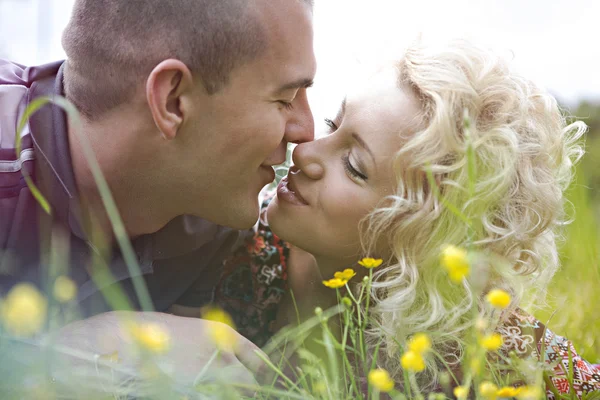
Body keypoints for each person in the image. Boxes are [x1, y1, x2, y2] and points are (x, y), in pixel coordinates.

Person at [204, 40, 600, 396]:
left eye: (354, 166)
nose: (305, 154)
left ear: (424, 235)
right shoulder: (229, 244)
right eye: (332, 125)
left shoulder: (486, 346)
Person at [0, 0, 315, 384]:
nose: (307, 131)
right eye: (284, 99)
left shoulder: (207, 215)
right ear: (173, 101)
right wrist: (91, 349)